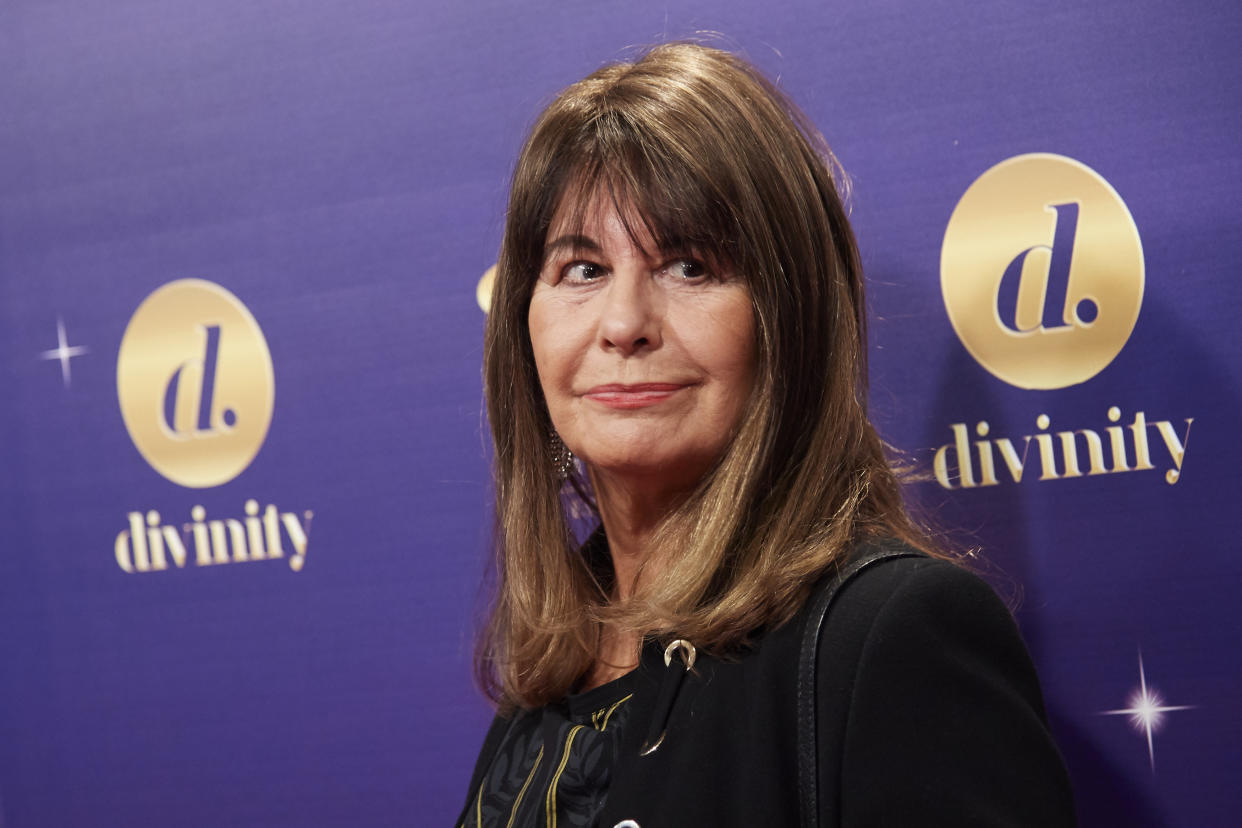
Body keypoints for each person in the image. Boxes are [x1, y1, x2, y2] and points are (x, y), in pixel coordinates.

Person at [458, 42, 1076, 827]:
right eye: (582, 269)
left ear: (791, 320)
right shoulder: (554, 673)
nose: (623, 324)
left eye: (688, 266)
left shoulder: (892, 640)